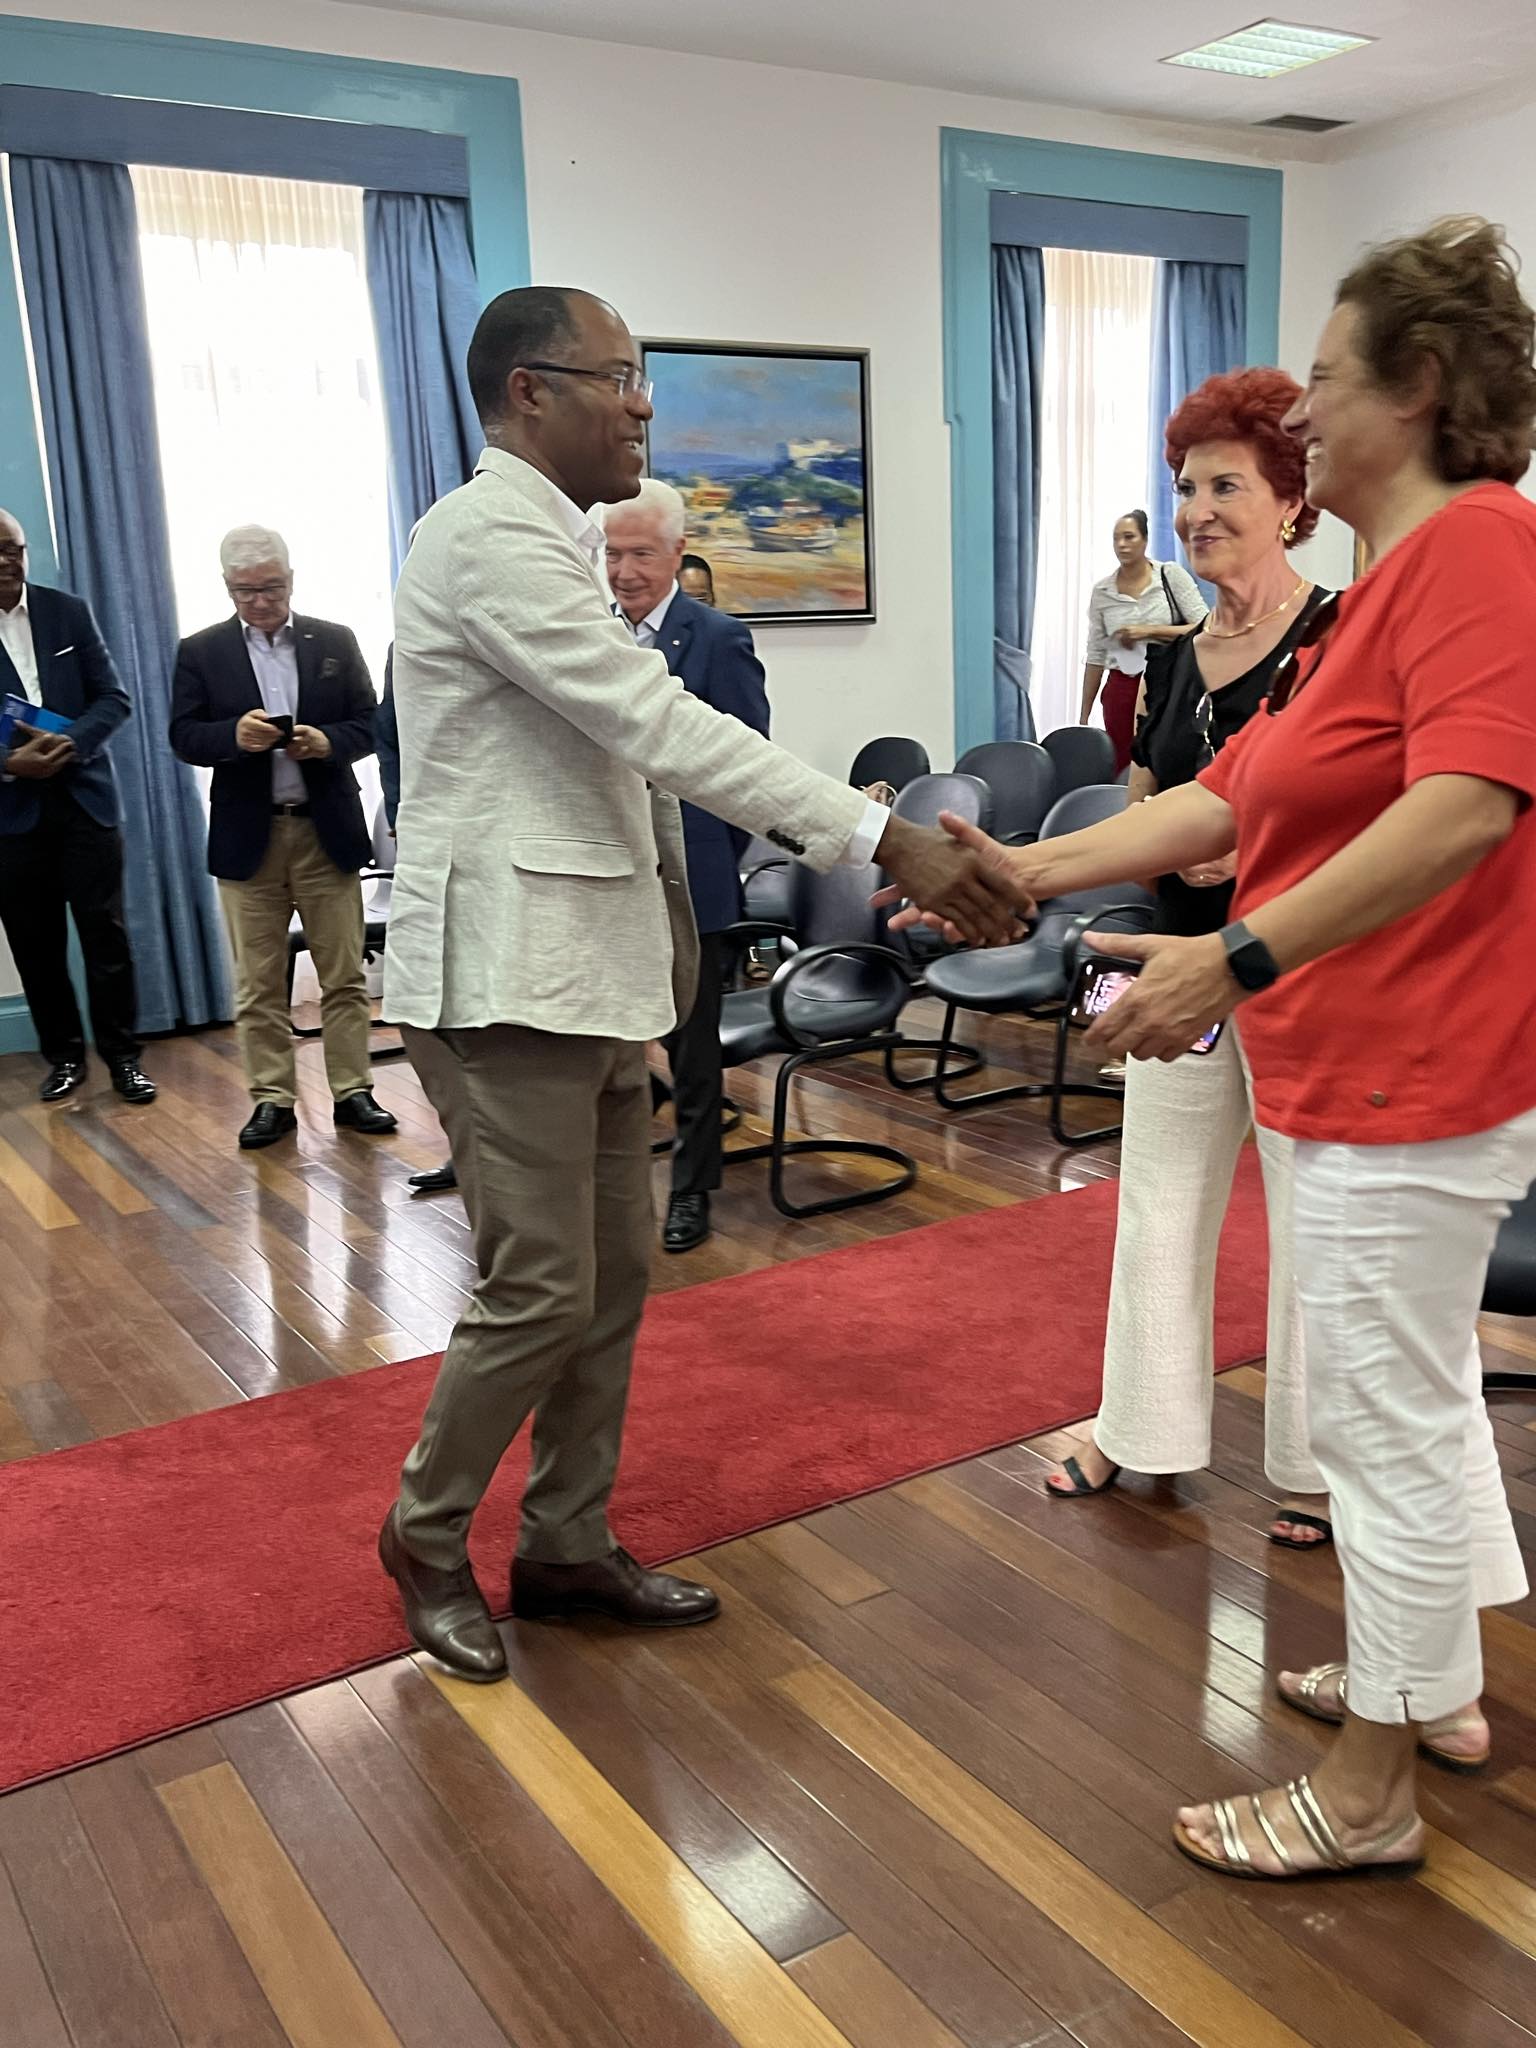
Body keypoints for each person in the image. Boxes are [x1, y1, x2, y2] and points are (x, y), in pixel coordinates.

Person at [896, 217, 1536, 1880]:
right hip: (1361, 1072)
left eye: (1326, 375)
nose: (1304, 409)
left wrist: (1232, 955)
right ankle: (1427, 1690)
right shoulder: (1399, 583)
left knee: (1386, 1425)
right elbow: (1228, 797)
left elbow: (1470, 807)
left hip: (1412, 1075)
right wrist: (1021, 866)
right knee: (1407, 1405)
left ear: (1418, 381)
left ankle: (1369, 1790)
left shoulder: (1478, 549)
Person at [378, 284, 1017, 1682]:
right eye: (617, 376)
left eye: (644, 377)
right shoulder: (486, 536)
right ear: (529, 391)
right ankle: (424, 1535)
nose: (644, 403)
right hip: (502, 982)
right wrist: (885, 832)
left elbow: (635, 763)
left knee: (611, 1282)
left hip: (587, 975)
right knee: (542, 1287)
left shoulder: (554, 540)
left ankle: (564, 1542)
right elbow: (654, 724)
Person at [1046, 370, 1332, 1553]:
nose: (1197, 510)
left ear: (1292, 502)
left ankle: (1315, 1468)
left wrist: (1246, 844)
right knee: (1158, 1198)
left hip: (1302, 965)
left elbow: (1371, 815)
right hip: (1175, 962)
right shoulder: (1167, 659)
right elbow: (1148, 796)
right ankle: (1138, 1426)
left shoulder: (1340, 638)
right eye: (1185, 487)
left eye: (1227, 485)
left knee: (1312, 1223)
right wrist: (1166, 832)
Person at [169, 527, 397, 1151]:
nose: (261, 602)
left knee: (343, 975)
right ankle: (272, 1099)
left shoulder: (334, 639)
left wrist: (327, 742)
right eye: (246, 592)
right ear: (227, 587)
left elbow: (371, 723)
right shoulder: (201, 651)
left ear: (291, 579)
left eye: (271, 588)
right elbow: (183, 736)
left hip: (326, 831)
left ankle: (353, 1090)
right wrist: (232, 737)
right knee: (258, 983)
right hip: (249, 836)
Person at [604, 479, 764, 1253]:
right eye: (612, 553)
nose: (624, 571)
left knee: (693, 1049)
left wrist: (711, 859)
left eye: (641, 553)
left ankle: (693, 1188)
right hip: (608, 871)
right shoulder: (588, 633)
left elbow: (745, 766)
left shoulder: (716, 639)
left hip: (692, 875)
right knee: (610, 1036)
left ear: (677, 552)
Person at [0, 510, 154, 1106]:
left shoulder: (67, 611)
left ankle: (124, 1058)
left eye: (13, 549)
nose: (6, 562)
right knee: (35, 946)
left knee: (106, 938)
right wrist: (10, 764)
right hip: (12, 816)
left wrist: (73, 742)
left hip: (85, 803)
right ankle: (64, 1058)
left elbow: (113, 698)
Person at [376, 649, 457, 1195]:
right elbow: (390, 738)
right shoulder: (405, 646)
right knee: (432, 1012)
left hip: (501, 853)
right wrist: (405, 814)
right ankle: (466, 1146)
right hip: (427, 852)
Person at [1080, 509, 1206, 772]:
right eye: (1116, 538)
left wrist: (1149, 631)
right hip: (1122, 686)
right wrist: (1084, 715)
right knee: (1123, 761)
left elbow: (1205, 626)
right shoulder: (1103, 591)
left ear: (1145, 540)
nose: (1122, 545)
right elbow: (1095, 655)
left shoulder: (1169, 576)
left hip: (1167, 681)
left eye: (1129, 537)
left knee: (1166, 759)